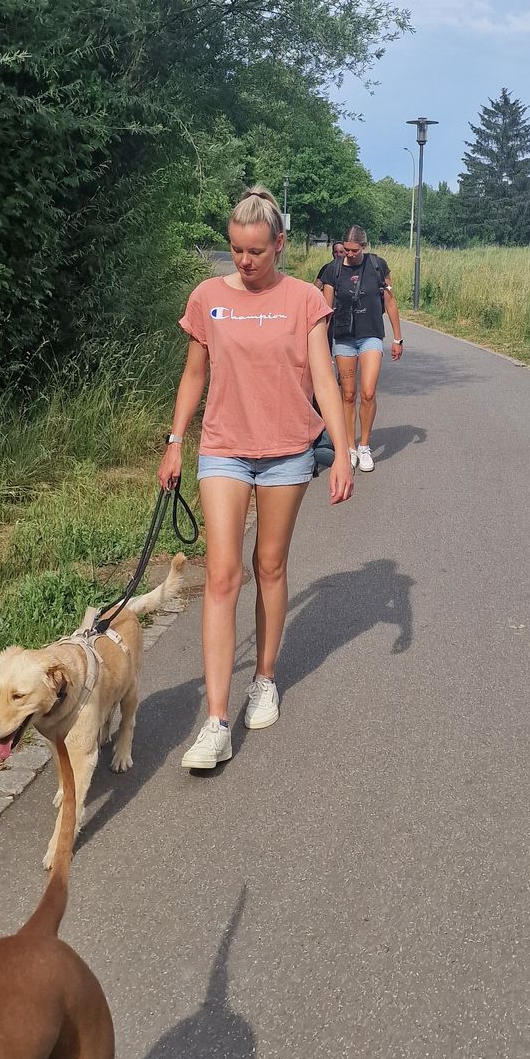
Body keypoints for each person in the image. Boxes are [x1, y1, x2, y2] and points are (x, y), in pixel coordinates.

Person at [163, 187, 353, 771]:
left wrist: (342, 451)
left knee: (268, 565)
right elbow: (195, 373)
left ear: (280, 244)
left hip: (286, 450)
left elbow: (323, 376)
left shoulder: (302, 301)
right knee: (221, 575)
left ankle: (264, 678)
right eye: (235, 250)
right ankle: (216, 720)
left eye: (255, 251)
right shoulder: (207, 297)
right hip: (222, 447)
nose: (243, 262)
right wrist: (174, 443)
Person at [316, 224, 403, 472]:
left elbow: (390, 301)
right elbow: (326, 310)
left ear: (364, 247)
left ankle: (364, 446)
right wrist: (321, 346)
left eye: (355, 250)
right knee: (348, 394)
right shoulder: (334, 270)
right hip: (344, 338)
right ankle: (349, 447)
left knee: (367, 392)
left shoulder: (377, 266)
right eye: (346, 250)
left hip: (371, 336)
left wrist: (398, 338)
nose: (350, 254)